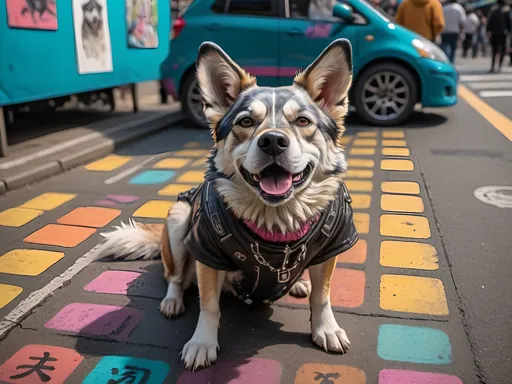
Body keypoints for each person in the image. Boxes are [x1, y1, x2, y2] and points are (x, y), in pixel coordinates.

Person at [486, 0, 511, 72]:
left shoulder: (493, 11)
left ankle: (492, 67)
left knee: (494, 51)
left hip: (494, 33)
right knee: (502, 51)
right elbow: (509, 23)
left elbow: (489, 22)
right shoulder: (506, 11)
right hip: (503, 34)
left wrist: (488, 31)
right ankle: (499, 67)